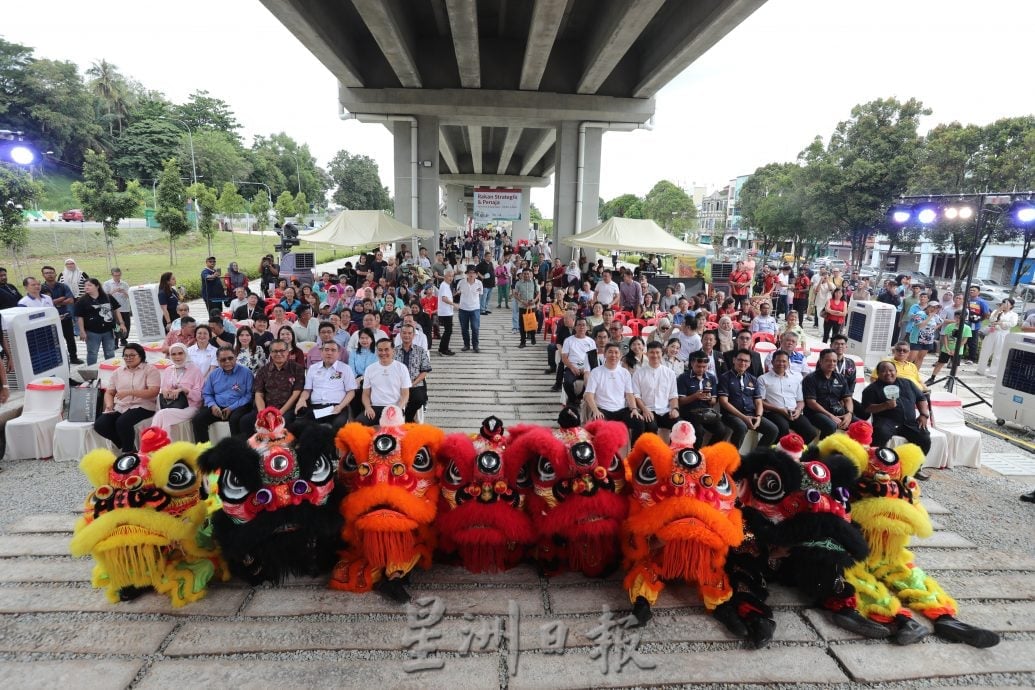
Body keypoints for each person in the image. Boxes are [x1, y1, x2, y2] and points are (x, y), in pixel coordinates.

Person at [93, 343, 160, 452]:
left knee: (122, 422)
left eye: (132, 355)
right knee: (100, 425)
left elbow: (153, 392)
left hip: (143, 406)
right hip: (121, 406)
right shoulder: (117, 372)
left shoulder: (150, 370)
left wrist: (130, 392)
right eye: (126, 355)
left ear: (141, 356)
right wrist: (109, 405)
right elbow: (109, 392)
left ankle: (127, 451)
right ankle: (125, 446)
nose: (128, 358)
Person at [716, 348, 778, 449]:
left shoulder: (752, 379)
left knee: (773, 430)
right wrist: (743, 417)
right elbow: (723, 402)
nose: (743, 363)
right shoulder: (725, 377)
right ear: (734, 360)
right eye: (740, 360)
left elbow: (758, 402)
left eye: (746, 361)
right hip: (731, 415)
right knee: (741, 427)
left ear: (749, 363)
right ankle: (733, 456)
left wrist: (758, 417)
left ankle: (756, 455)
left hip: (751, 414)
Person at [584, 343, 645, 442]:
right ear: (605, 354)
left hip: (621, 410)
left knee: (639, 423)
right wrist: (595, 410)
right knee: (597, 425)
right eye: (610, 352)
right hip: (603, 410)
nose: (613, 355)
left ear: (620, 356)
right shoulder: (596, 372)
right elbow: (589, 395)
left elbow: (629, 394)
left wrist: (634, 409)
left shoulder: (625, 373)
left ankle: (634, 450)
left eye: (616, 352)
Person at [193, 346, 254, 442]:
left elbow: (248, 395)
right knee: (198, 420)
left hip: (238, 406)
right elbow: (207, 393)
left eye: (230, 358)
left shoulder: (246, 373)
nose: (227, 362)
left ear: (236, 357)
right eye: (223, 360)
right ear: (217, 361)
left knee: (235, 419)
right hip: (218, 407)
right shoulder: (214, 374)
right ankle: (204, 449)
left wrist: (231, 408)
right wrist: (213, 406)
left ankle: (237, 448)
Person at [758, 350, 818, 443]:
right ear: (772, 362)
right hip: (773, 412)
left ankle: (795, 450)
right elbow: (761, 401)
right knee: (783, 428)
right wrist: (780, 410)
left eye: (784, 361)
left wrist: (798, 410)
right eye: (778, 361)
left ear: (788, 363)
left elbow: (800, 401)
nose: (781, 364)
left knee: (811, 432)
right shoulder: (763, 379)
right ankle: (777, 450)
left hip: (793, 412)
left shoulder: (795, 378)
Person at [294, 341, 356, 429]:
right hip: (316, 407)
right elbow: (307, 390)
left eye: (333, 350)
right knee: (300, 425)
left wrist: (340, 406)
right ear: (321, 352)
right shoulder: (313, 368)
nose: (329, 353)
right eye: (326, 350)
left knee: (337, 426)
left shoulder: (345, 369)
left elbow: (351, 392)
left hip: (337, 407)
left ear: (338, 353)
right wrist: (302, 399)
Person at [677, 350, 730, 447]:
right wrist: (695, 396)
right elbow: (680, 401)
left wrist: (709, 398)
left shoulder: (711, 378)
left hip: (706, 412)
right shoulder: (683, 378)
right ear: (692, 364)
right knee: (699, 432)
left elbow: (714, 400)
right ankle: (695, 453)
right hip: (689, 412)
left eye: (704, 367)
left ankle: (707, 451)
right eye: (698, 366)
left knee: (722, 430)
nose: (701, 369)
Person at [151, 343, 205, 434]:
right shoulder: (168, 370)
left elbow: (200, 396)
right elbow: (163, 388)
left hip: (190, 406)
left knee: (163, 414)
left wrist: (185, 391)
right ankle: (157, 440)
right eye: (173, 354)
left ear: (186, 354)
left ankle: (153, 439)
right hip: (171, 405)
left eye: (180, 353)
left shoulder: (195, 370)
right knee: (163, 416)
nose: (177, 357)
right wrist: (165, 391)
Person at [802, 349, 856, 438]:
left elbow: (847, 399)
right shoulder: (811, 378)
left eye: (834, 361)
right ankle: (823, 446)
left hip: (836, 410)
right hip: (816, 413)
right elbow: (811, 403)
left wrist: (849, 414)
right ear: (821, 361)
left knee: (861, 425)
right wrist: (830, 416)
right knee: (831, 425)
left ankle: (849, 446)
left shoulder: (840, 378)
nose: (832, 363)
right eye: (828, 360)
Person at [634, 341, 681, 435]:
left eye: (657, 352)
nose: (655, 355)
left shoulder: (670, 373)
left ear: (662, 353)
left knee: (679, 425)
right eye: (652, 352)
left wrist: (675, 409)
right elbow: (636, 395)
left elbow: (673, 395)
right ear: (646, 354)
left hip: (665, 410)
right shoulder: (638, 373)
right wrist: (644, 409)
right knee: (651, 427)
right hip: (648, 409)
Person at [76, 278, 126, 365]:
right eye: (85, 286)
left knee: (110, 351)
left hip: (108, 330)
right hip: (92, 331)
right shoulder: (82, 301)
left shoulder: (108, 297)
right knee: (92, 352)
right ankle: (91, 371)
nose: (86, 287)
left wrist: (121, 323)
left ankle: (111, 368)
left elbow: (116, 310)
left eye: (89, 285)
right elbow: (80, 317)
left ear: (97, 286)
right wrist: (82, 331)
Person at [361, 339, 411, 425]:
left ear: (393, 351)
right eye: (380, 350)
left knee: (391, 429)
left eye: (386, 349)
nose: (383, 353)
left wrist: (398, 409)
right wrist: (368, 407)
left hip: (395, 407)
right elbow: (365, 394)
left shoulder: (401, 368)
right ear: (376, 351)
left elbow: (405, 394)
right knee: (358, 424)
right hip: (375, 407)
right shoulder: (370, 369)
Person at [41, 265, 80, 364]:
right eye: (47, 273)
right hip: (50, 320)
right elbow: (43, 303)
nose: (49, 275)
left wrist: (53, 302)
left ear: (55, 274)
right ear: (43, 275)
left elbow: (71, 300)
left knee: (70, 339)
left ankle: (74, 358)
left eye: (51, 272)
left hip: (65, 317)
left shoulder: (63, 286)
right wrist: (61, 299)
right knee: (54, 341)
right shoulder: (41, 288)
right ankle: (57, 360)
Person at [395, 324, 432, 422]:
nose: (406, 335)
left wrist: (413, 383)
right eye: (404, 333)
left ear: (413, 335)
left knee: (419, 399)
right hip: (397, 385)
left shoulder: (420, 351)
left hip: (415, 383)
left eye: (409, 333)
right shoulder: (394, 351)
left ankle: (408, 418)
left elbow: (425, 371)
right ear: (400, 334)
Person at [926, 312, 972, 386]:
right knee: (940, 363)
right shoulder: (950, 326)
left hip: (958, 351)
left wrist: (955, 349)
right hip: (946, 349)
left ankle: (950, 380)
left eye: (960, 318)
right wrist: (947, 348)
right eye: (956, 317)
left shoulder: (967, 328)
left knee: (955, 365)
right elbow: (945, 337)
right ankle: (932, 378)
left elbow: (964, 340)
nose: (958, 319)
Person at [977, 298, 1018, 378]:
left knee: (998, 353)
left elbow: (1012, 323)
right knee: (985, 351)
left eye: (1007, 304)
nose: (1005, 305)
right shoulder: (997, 311)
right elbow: (991, 319)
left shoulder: (1013, 315)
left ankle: (993, 372)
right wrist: (999, 310)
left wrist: (1000, 323)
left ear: (1011, 305)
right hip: (992, 332)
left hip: (1002, 333)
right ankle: (981, 369)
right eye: (1004, 303)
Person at [560, 317, 595, 405]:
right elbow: (564, 358)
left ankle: (579, 398)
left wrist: (586, 369)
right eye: (579, 325)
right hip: (572, 367)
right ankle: (573, 400)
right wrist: (572, 367)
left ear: (587, 327)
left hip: (586, 369)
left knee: (591, 382)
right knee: (567, 382)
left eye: (584, 325)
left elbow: (593, 359)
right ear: (575, 327)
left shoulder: (591, 341)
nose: (581, 327)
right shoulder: (568, 340)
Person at [103, 268, 133, 346]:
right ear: (112, 275)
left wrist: (124, 292)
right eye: (115, 275)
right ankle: (115, 341)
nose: (117, 277)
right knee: (116, 325)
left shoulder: (125, 284)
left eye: (119, 275)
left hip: (124, 307)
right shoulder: (107, 284)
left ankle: (124, 339)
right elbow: (105, 297)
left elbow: (130, 296)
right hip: (114, 308)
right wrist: (114, 291)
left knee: (126, 324)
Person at [964, 285, 991, 365]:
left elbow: (986, 314)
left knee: (972, 342)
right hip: (964, 324)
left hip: (974, 325)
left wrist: (978, 320)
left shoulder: (981, 302)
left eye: (974, 290)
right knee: (962, 340)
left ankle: (971, 359)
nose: (971, 291)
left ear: (978, 292)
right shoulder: (966, 300)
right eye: (971, 290)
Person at [514, 267, 539, 348]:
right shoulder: (518, 283)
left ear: (530, 274)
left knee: (532, 323)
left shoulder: (534, 282)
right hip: (522, 306)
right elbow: (515, 294)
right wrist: (522, 301)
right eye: (524, 274)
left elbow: (538, 293)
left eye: (528, 274)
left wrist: (534, 300)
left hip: (532, 306)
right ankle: (522, 341)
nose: (526, 275)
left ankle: (533, 336)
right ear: (522, 274)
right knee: (522, 325)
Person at [829, 334, 858, 399]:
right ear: (831, 346)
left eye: (842, 344)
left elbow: (852, 382)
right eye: (836, 344)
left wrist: (848, 398)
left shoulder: (850, 363)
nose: (840, 346)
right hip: (828, 397)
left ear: (846, 346)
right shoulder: (824, 362)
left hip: (845, 397)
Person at [437, 269, 457, 356]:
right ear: (444, 276)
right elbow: (444, 298)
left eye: (452, 276)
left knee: (448, 331)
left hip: (447, 311)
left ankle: (443, 348)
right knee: (448, 331)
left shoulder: (446, 285)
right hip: (445, 312)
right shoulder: (444, 285)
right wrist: (454, 304)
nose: (451, 278)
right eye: (449, 276)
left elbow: (447, 297)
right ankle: (443, 349)